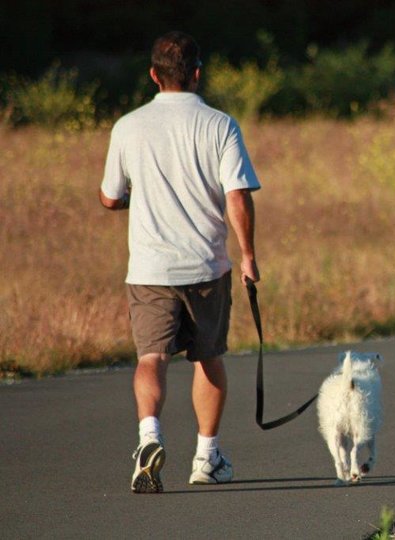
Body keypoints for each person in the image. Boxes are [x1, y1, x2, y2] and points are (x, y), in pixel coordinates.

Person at [99, 31, 261, 493]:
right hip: (207, 266)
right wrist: (247, 255)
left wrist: (139, 195)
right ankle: (206, 457)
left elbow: (110, 198)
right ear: (197, 73)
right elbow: (237, 195)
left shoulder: (127, 127)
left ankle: (148, 433)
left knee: (151, 357)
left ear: (153, 75)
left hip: (149, 269)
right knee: (207, 357)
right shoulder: (219, 125)